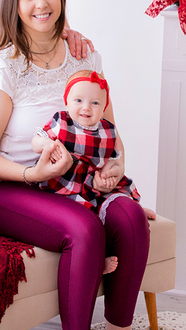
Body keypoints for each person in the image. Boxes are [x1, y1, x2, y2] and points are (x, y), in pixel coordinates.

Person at [0, 0, 162, 330]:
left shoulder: (84, 54)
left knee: (130, 216)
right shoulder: (1, 68)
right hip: (7, 187)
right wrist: (32, 173)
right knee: (83, 226)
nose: (41, 4)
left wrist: (115, 167)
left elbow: (110, 134)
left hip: (76, 183)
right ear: (13, 5)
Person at [31, 70, 142, 275]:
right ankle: (97, 260)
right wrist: (46, 145)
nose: (86, 107)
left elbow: (115, 158)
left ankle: (138, 210)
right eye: (79, 100)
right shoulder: (62, 122)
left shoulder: (107, 130)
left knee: (118, 207)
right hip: (65, 182)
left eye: (95, 103)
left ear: (104, 108)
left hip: (92, 183)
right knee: (87, 221)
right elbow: (36, 139)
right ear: (67, 102)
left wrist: (112, 171)